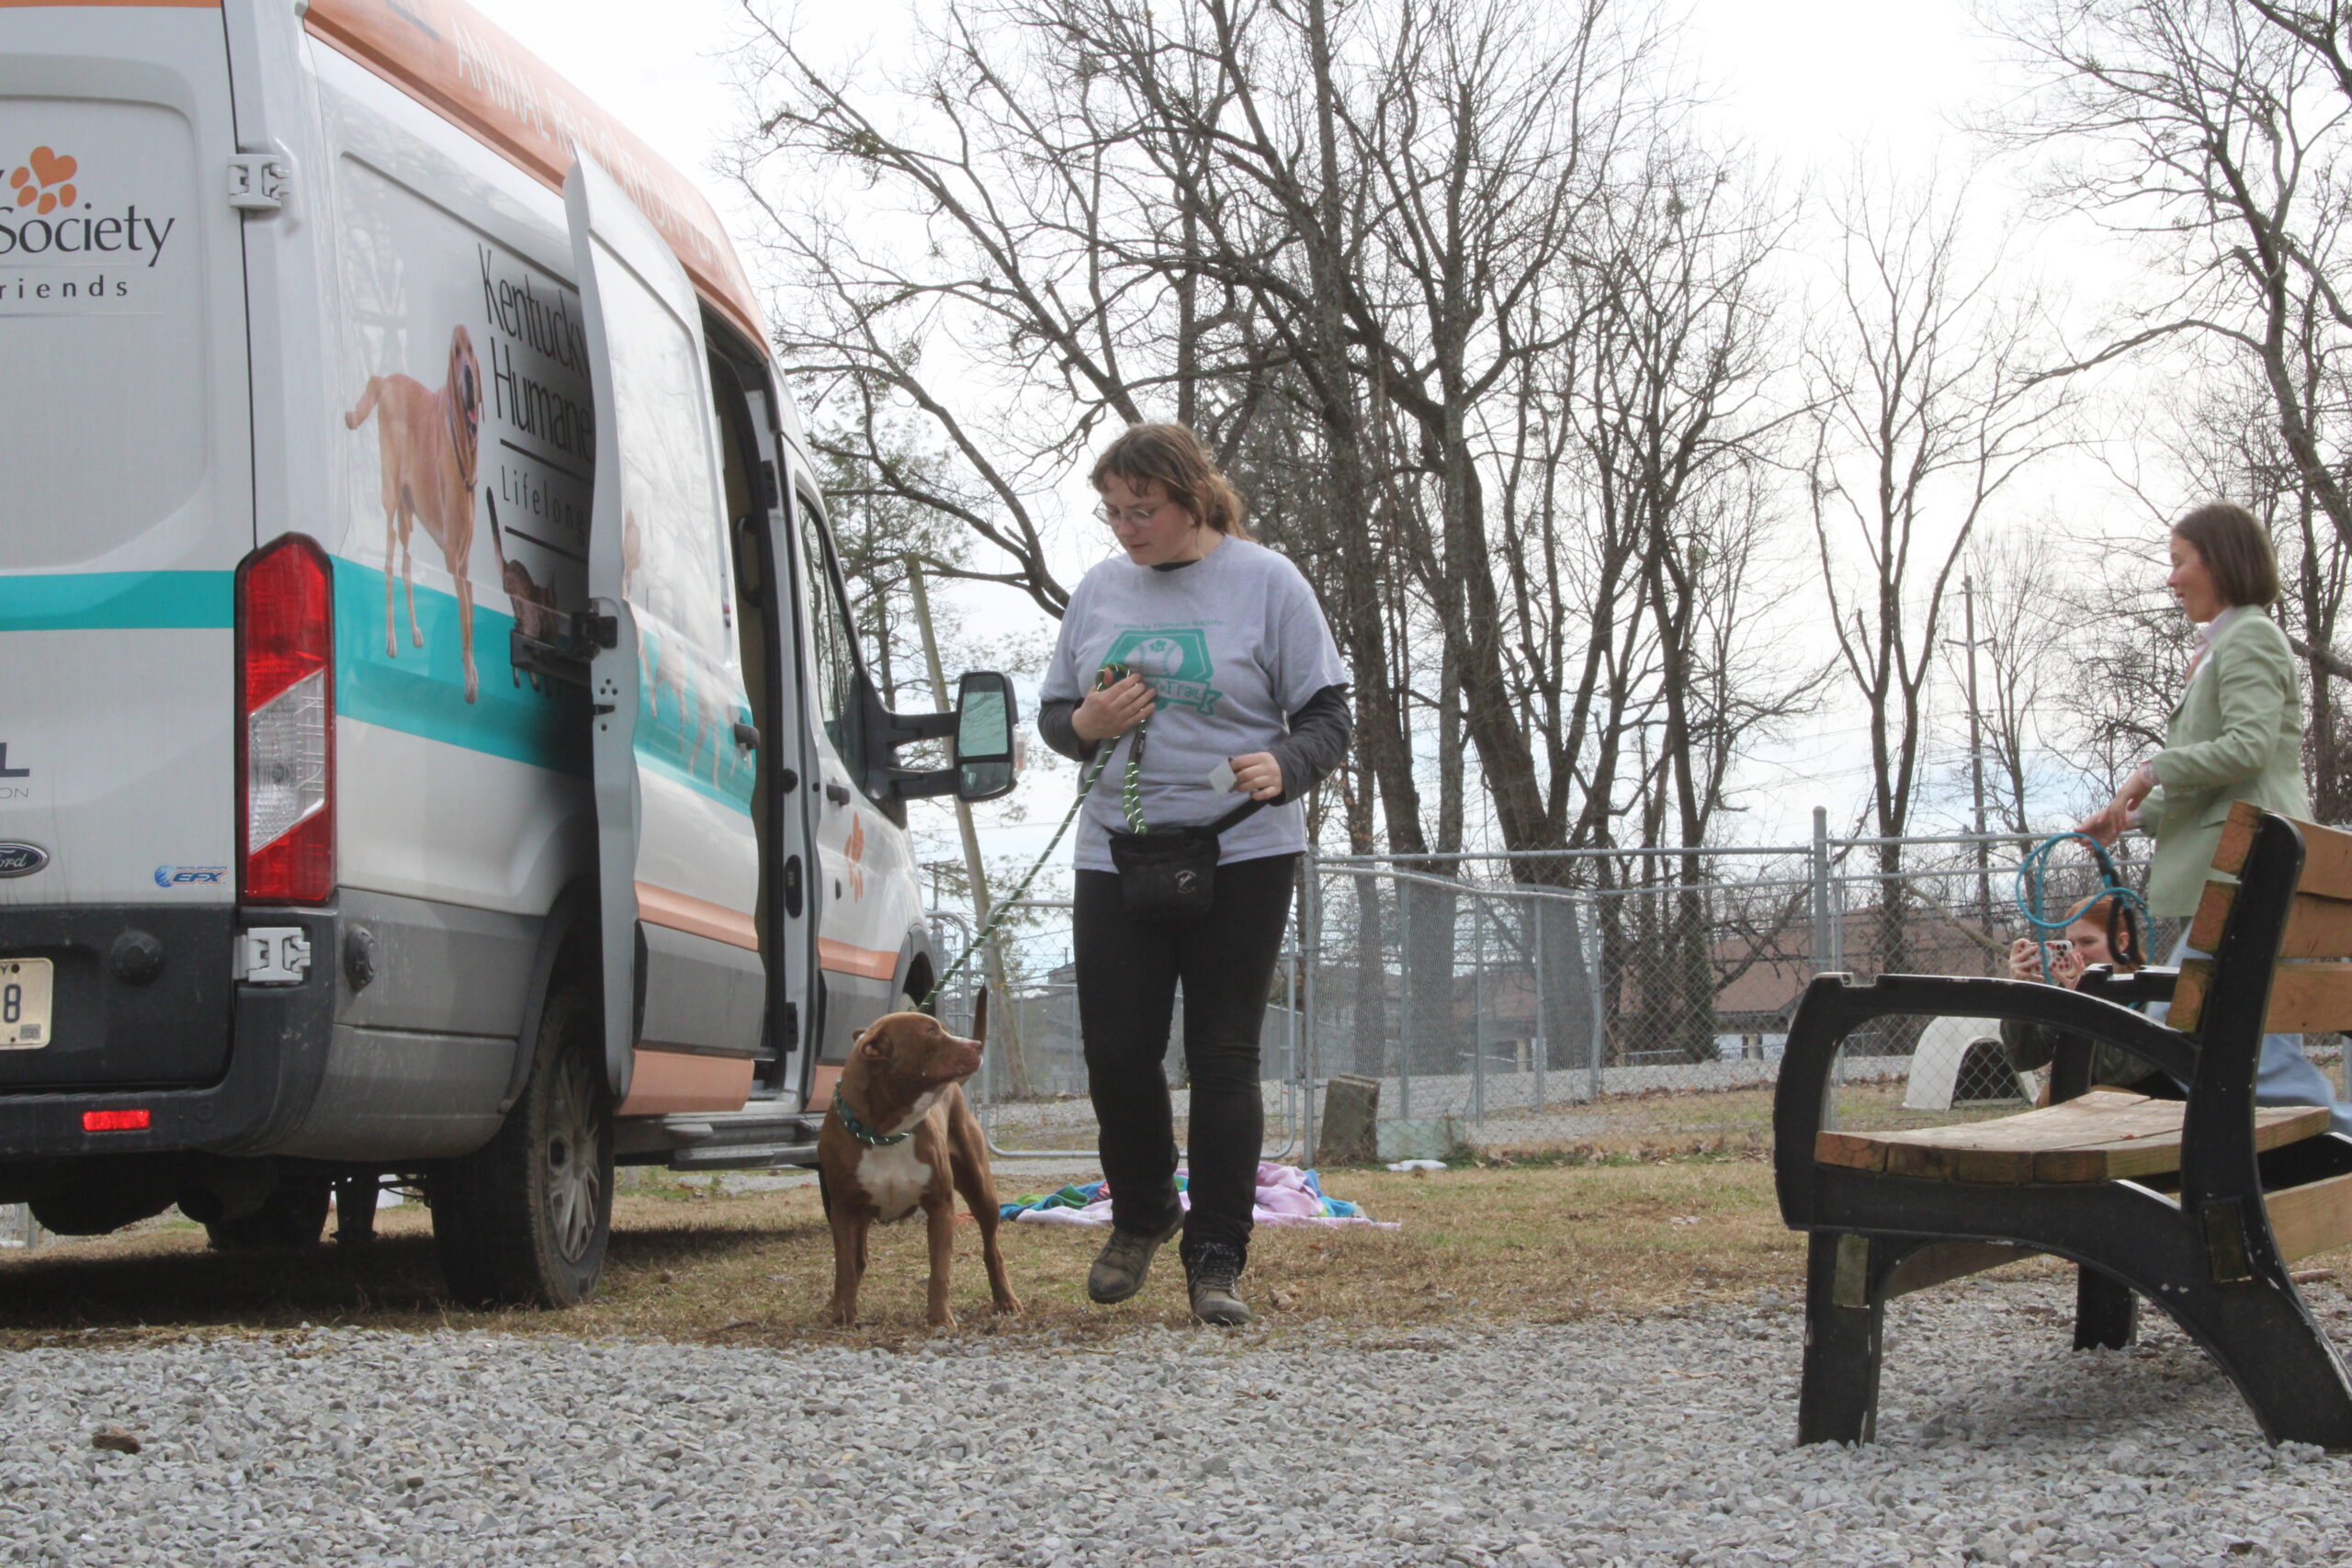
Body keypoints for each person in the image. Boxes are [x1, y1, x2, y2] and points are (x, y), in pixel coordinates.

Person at [1036, 423, 1351, 1326]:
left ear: (1192, 499)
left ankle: (1216, 1255)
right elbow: (1059, 720)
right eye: (1113, 513)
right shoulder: (1100, 588)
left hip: (1241, 843)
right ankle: (1141, 1212)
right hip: (1117, 845)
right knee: (1118, 1050)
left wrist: (1285, 764)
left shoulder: (1267, 582)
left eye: (1144, 510)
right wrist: (1088, 722)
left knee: (1222, 1055)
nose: (1127, 528)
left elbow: (1329, 714)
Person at [2078, 501, 2352, 1133]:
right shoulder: (2225, 645)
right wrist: (2130, 817)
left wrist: (2150, 771)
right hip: (2245, 874)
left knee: (2179, 1029)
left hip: (2246, 874)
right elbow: (2227, 774)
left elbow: (2249, 745)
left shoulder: (2251, 636)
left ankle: (2330, 1129)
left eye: (2179, 562)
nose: (2170, 579)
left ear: (2219, 560)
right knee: (2210, 1034)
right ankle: (2312, 1132)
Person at [2000, 895, 2176, 1100]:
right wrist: (2020, 992)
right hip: (2098, 1100)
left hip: (2158, 1104)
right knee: (2052, 1095)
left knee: (2089, 1095)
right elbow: (2024, 1058)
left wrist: (2082, 1008)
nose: (2077, 954)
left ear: (2121, 943)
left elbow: (2117, 1071)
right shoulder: (2071, 988)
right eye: (2070, 944)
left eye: (2087, 942)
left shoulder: (2154, 992)